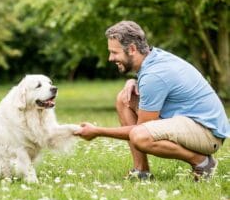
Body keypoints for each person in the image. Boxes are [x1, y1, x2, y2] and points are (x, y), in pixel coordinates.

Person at [74, 21, 230, 181]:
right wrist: (133, 82)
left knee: (139, 136)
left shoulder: (154, 75)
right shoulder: (153, 58)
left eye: (114, 52)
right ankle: (141, 171)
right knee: (124, 99)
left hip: (208, 133)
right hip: (194, 122)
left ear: (132, 49)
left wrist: (98, 131)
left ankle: (202, 162)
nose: (110, 58)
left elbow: (141, 128)